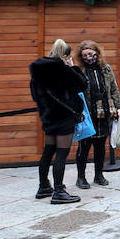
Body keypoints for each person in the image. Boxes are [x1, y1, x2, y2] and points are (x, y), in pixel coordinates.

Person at [28, 39, 86, 205]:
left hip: (48, 118)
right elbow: (82, 85)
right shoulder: (63, 70)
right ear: (66, 55)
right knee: (61, 153)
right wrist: (73, 67)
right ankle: (59, 191)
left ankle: (43, 186)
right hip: (64, 117)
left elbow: (35, 95)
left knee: (48, 151)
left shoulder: (38, 71)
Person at [73, 40, 120, 190]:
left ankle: (98, 175)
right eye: (85, 54)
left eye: (91, 54)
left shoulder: (105, 69)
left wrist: (118, 106)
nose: (89, 57)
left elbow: (114, 88)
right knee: (84, 146)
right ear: (81, 56)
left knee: (101, 146)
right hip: (87, 113)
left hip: (104, 112)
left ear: (97, 54)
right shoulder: (78, 70)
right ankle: (81, 177)